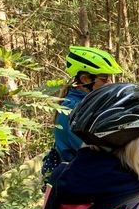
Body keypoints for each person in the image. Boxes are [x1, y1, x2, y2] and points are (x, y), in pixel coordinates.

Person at [41, 46, 123, 176]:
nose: (110, 83)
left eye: (110, 78)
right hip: (77, 177)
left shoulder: (87, 103)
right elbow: (91, 151)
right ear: (85, 79)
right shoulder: (74, 109)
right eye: (104, 79)